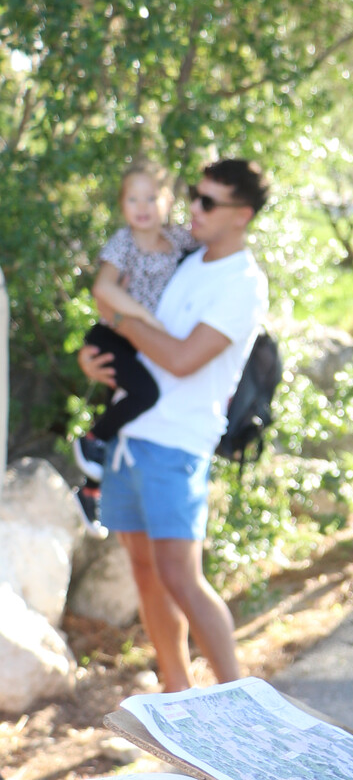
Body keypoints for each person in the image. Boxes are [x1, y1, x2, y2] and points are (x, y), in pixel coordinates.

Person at [77, 157, 269, 692]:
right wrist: (94, 358)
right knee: (146, 575)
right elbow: (128, 331)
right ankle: (178, 697)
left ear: (243, 215)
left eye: (208, 202)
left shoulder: (244, 283)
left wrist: (119, 318)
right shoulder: (185, 259)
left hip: (176, 443)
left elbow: (182, 359)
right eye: (194, 196)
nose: (194, 209)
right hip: (128, 438)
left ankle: (238, 705)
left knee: (182, 579)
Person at [73, 166, 193, 512]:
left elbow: (212, 243)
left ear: (168, 200)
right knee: (143, 393)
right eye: (132, 198)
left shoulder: (177, 240)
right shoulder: (123, 242)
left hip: (139, 342)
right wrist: (146, 318)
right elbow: (103, 288)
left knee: (119, 406)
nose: (142, 206)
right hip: (113, 336)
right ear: (122, 205)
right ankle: (91, 439)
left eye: (152, 197)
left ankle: (90, 492)